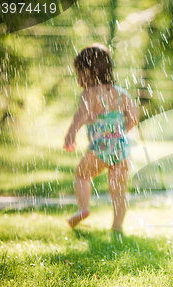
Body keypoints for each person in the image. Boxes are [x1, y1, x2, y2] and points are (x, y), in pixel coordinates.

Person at [64, 43, 138, 232]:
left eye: (79, 72)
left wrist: (71, 133)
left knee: (82, 175)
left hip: (100, 149)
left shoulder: (90, 93)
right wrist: (118, 133)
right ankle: (117, 226)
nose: (79, 76)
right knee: (118, 191)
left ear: (88, 71)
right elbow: (134, 119)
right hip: (121, 149)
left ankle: (84, 209)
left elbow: (80, 115)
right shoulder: (122, 93)